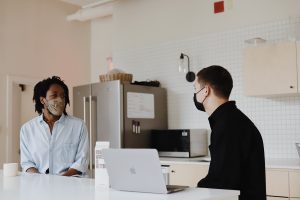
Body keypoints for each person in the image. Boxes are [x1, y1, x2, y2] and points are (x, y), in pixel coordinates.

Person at [194, 65, 266, 200]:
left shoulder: (227, 126)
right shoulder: (233, 119)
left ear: (205, 91)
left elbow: (221, 181)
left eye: (195, 89)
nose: (195, 95)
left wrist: (192, 192)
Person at [20, 76, 89, 176]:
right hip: (38, 187)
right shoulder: (27, 129)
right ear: (43, 100)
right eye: (54, 95)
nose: (60, 100)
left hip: (70, 187)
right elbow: (27, 163)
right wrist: (41, 182)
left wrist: (59, 182)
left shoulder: (79, 126)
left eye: (62, 96)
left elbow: (81, 162)